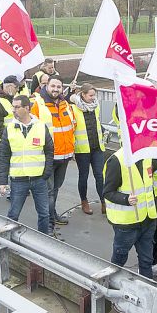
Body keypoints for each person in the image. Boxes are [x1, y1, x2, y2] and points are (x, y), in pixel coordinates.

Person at [0, 95, 54, 234]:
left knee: (44, 214)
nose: (13, 110)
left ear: (27, 108)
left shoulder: (41, 127)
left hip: (39, 179)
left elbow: (49, 151)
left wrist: (46, 173)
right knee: (13, 215)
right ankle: (8, 240)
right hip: (18, 180)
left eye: (17, 107)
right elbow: (4, 156)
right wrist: (3, 182)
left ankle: (43, 241)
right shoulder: (9, 128)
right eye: (13, 107)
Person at [103, 150, 157, 278]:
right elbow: (107, 192)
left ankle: (147, 289)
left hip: (148, 220)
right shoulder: (117, 160)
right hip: (127, 225)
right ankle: (111, 286)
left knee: (147, 260)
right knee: (119, 261)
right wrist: (125, 199)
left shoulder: (147, 156)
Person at [32, 77, 76, 226]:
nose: (56, 89)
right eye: (53, 86)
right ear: (46, 86)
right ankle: (49, 223)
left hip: (65, 156)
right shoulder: (38, 105)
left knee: (55, 189)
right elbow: (32, 131)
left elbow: (72, 126)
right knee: (49, 192)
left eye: (59, 86)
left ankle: (53, 214)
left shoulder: (65, 104)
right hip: (48, 157)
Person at [71, 84, 106, 215]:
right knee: (83, 176)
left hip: (97, 147)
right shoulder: (74, 109)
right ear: (83, 95)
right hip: (82, 150)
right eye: (91, 95)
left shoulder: (95, 107)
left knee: (100, 176)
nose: (93, 98)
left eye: (94, 95)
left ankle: (104, 202)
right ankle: (84, 201)